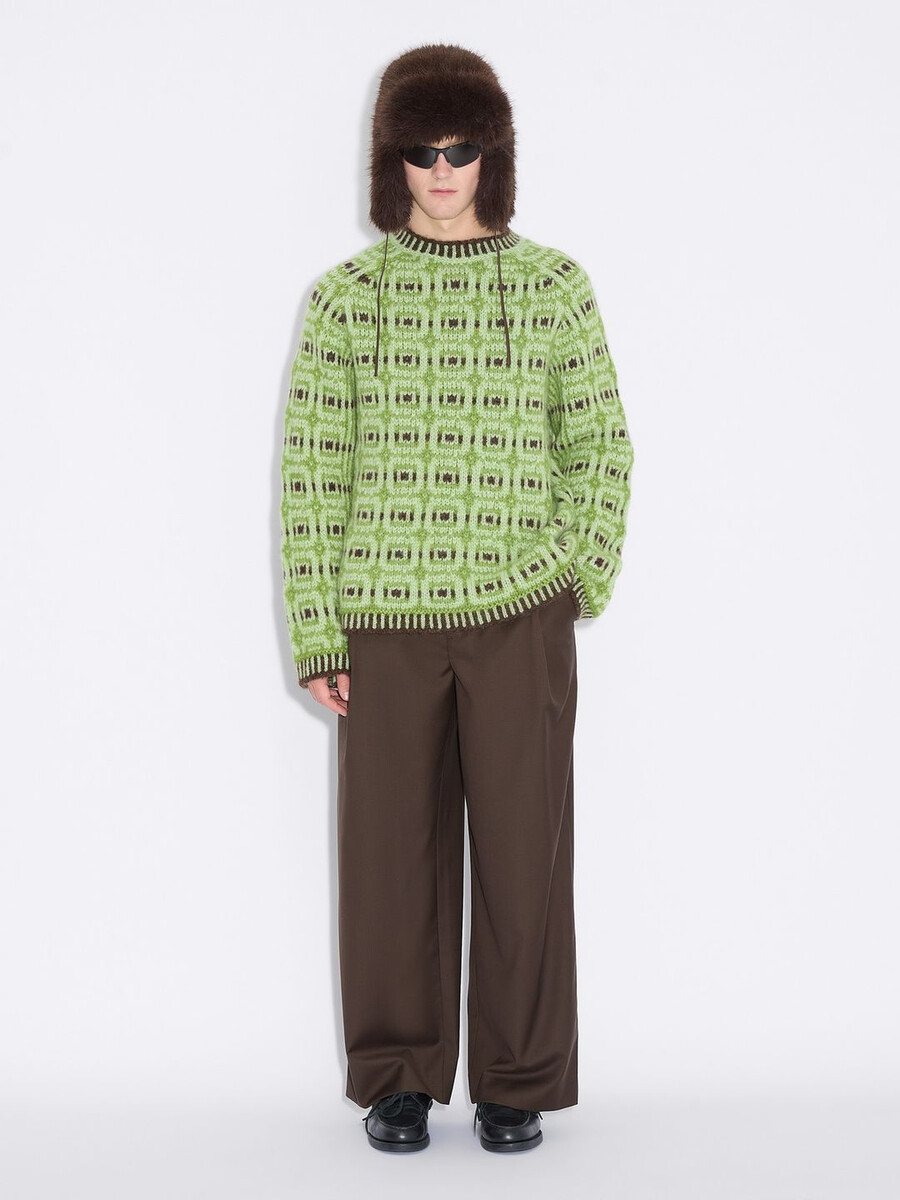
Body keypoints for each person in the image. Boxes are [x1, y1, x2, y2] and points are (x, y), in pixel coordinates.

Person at [279, 42, 634, 1154]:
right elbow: (312, 470)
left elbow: (601, 445)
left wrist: (577, 575)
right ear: (391, 159)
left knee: (526, 856)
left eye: (462, 147)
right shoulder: (345, 301)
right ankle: (397, 1075)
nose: (442, 170)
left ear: (494, 156)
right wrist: (316, 630)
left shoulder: (554, 286)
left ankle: (517, 1077)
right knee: (389, 860)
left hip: (520, 610)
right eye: (421, 149)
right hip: (383, 618)